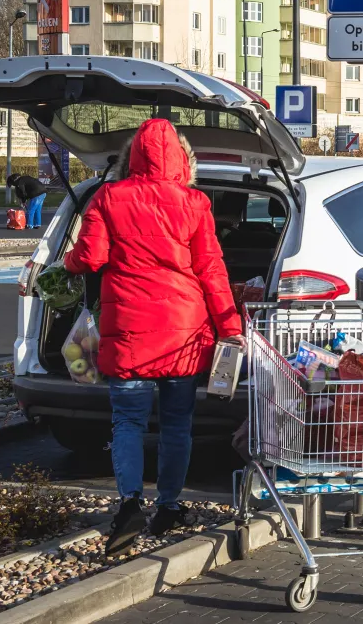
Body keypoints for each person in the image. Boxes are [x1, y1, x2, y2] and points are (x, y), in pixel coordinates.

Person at [63, 119, 242, 557]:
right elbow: (212, 271)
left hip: (128, 332)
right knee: (177, 424)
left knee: (127, 423)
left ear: (132, 157)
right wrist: (230, 327)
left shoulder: (108, 197)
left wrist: (67, 264)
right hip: (184, 333)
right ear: (183, 160)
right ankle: (169, 506)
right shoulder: (195, 202)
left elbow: (90, 257)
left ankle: (128, 504)